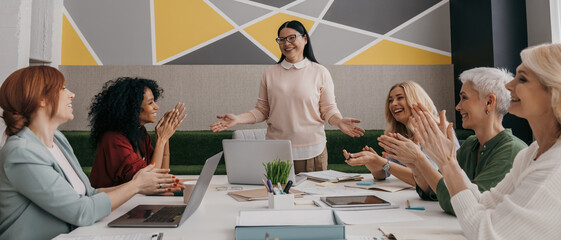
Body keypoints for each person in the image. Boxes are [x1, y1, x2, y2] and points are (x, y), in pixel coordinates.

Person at [0, 66, 181, 240]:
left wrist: (137, 184)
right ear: (41, 99)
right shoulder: (22, 153)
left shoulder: (58, 139)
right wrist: (136, 186)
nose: (71, 94)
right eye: (63, 89)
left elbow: (89, 193)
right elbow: (81, 211)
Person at [410, 43, 561, 239]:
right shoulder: (530, 154)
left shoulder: (553, 169)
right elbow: (483, 203)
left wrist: (446, 162)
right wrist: (447, 161)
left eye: (522, 79)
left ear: (554, 93)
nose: (508, 86)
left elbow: (486, 233)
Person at [210, 20, 364, 173]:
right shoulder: (270, 73)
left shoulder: (320, 72)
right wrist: (238, 119)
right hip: (277, 151)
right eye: (281, 39)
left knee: (311, 196)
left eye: (291, 37)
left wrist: (339, 121)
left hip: (313, 151)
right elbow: (262, 110)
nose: (286, 43)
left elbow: (328, 109)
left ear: (304, 39)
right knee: (277, 196)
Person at [378, 68, 527, 215]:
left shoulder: (511, 150)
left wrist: (420, 159)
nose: (458, 106)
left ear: (489, 102)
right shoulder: (471, 144)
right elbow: (433, 190)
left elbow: (466, 205)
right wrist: (416, 165)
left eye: (464, 98)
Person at [343, 81, 456, 188]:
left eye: (400, 98)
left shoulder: (436, 130)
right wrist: (373, 162)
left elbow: (431, 179)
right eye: (390, 101)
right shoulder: (399, 133)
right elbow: (382, 175)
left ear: (415, 100)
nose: (393, 104)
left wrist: (382, 162)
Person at [88, 77, 185, 188]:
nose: (156, 107)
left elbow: (161, 175)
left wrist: (165, 136)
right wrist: (161, 140)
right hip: (112, 203)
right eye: (150, 103)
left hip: (135, 200)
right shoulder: (113, 140)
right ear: (132, 108)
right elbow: (150, 181)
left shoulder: (139, 132)